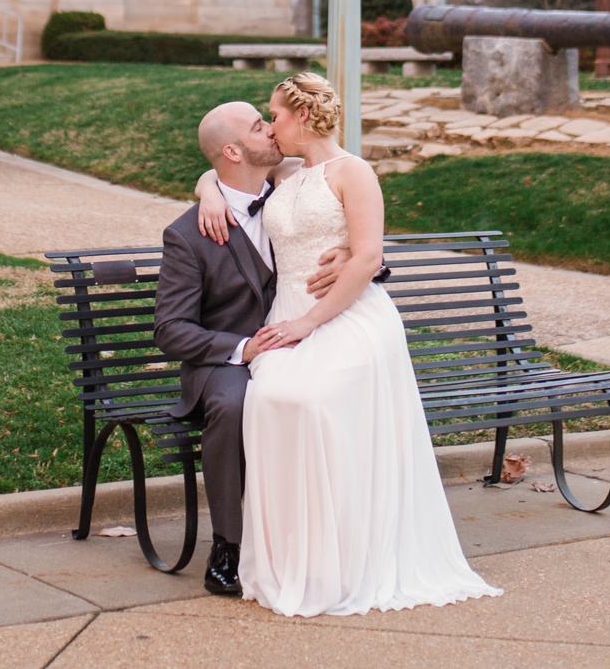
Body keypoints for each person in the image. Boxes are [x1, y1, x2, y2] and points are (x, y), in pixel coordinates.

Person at [184, 75, 501, 619]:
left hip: (348, 318)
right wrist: (208, 189)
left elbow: (369, 258)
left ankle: (348, 555)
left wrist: (311, 320)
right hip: (289, 317)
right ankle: (295, 555)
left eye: (274, 116)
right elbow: (220, 169)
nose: (270, 126)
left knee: (315, 401)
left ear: (302, 117)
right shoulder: (285, 172)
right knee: (269, 399)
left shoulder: (354, 172)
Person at [153, 100, 354, 599]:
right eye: (258, 125)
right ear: (232, 149)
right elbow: (170, 329)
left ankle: (323, 540)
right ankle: (228, 543)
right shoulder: (188, 235)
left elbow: (342, 218)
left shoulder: (290, 190)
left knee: (328, 392)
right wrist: (241, 349)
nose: (270, 129)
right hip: (229, 359)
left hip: (302, 338)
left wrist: (348, 249)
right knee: (237, 403)